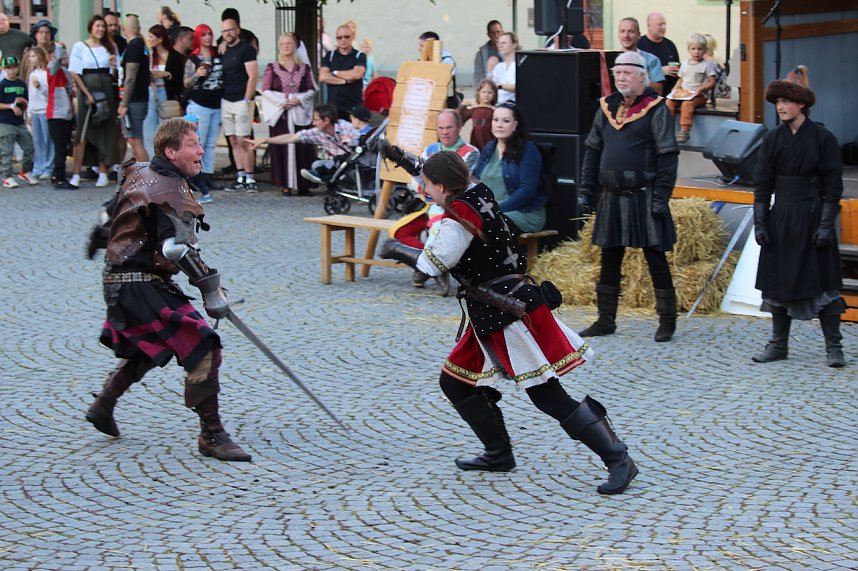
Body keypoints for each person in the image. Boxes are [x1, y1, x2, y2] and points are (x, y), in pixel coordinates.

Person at [380, 150, 638, 495]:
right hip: (496, 309)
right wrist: (412, 163)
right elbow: (445, 180)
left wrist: (394, 248)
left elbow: (429, 266)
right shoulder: (477, 191)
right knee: (455, 383)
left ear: (442, 185)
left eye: (427, 184)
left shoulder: (457, 224)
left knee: (547, 395)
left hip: (506, 313)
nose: (423, 189)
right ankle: (498, 453)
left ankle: (618, 458)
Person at [85, 117, 250, 462]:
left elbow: (109, 212)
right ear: (171, 151)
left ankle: (104, 405)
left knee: (143, 347)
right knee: (203, 346)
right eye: (193, 144)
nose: (201, 150)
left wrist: (98, 238)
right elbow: (177, 249)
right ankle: (212, 434)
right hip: (140, 284)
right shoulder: (172, 189)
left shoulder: (140, 171)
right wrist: (212, 293)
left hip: (118, 280)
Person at [576, 51, 680, 342]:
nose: (620, 77)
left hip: (644, 197)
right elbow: (593, 151)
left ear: (642, 76)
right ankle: (605, 320)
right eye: (617, 72)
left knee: (656, 259)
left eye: (627, 72)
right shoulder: (606, 107)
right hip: (612, 197)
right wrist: (586, 191)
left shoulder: (656, 109)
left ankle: (667, 321)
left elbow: (668, 157)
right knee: (609, 260)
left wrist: (661, 198)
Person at [752, 67, 846, 368]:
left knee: (822, 283)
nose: (780, 107)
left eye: (786, 101)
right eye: (777, 102)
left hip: (812, 216)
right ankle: (778, 344)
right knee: (778, 282)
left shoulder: (823, 138)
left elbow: (833, 187)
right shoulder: (772, 140)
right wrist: (761, 221)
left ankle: (834, 347)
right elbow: (762, 183)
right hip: (781, 217)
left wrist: (825, 224)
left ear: (801, 104)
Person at [390, 108, 480, 295]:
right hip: (427, 206)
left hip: (454, 208)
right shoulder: (431, 150)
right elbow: (415, 183)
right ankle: (430, 266)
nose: (445, 132)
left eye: (449, 127)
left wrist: (428, 185)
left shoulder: (470, 153)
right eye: (441, 128)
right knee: (399, 232)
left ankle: (432, 268)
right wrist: (428, 186)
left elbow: (459, 187)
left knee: (438, 229)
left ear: (459, 127)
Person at [473, 102, 546, 233]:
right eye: (495, 120)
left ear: (515, 125)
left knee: (488, 224)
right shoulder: (489, 148)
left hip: (522, 213)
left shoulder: (528, 149)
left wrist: (495, 209)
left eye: (505, 121)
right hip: (490, 212)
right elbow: (476, 181)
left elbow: (527, 190)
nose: (499, 125)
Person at [261, 32, 316, 196]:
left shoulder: (304, 68)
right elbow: (265, 89)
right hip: (282, 114)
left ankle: (303, 183)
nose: (286, 46)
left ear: (295, 46)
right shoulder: (273, 67)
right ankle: (285, 183)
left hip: (298, 112)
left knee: (302, 146)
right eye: (283, 44)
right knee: (283, 146)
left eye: (289, 43)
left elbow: (311, 89)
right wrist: (281, 101)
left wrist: (299, 99)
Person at [68, 14, 119, 188]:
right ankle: (75, 173)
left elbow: (114, 74)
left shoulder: (110, 46)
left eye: (103, 26)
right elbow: (75, 72)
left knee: (105, 130)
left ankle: (103, 172)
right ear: (91, 27)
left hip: (105, 89)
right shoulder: (80, 46)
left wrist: (112, 65)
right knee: (82, 132)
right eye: (98, 26)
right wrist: (86, 94)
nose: (101, 29)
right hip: (87, 89)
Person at [253, 103, 358, 186]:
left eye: (316, 120)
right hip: (338, 164)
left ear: (326, 120)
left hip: (354, 163)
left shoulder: (345, 126)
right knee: (316, 165)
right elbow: (292, 137)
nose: (313, 123)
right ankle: (325, 177)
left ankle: (323, 174)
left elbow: (360, 142)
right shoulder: (318, 132)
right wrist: (265, 140)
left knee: (329, 165)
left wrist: (350, 141)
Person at [220, 16, 259, 193]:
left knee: (244, 141)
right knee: (233, 140)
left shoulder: (246, 49)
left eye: (230, 30)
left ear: (237, 30)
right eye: (224, 31)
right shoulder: (223, 50)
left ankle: (250, 178)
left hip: (242, 100)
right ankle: (240, 175)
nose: (228, 33)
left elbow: (253, 76)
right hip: (226, 100)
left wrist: (247, 99)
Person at [185, 24, 223, 196]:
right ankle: (195, 175)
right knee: (199, 142)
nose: (208, 37)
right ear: (198, 37)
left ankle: (208, 174)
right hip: (200, 103)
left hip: (217, 103)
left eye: (210, 34)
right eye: (204, 34)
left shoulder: (217, 54)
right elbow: (185, 82)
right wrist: (196, 75)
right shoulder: (193, 58)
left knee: (211, 143)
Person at [665, 33, 718, 143]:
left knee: (687, 104)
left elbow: (712, 82)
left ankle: (685, 129)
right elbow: (681, 79)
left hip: (699, 95)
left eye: (700, 49)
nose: (696, 52)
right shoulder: (685, 64)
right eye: (693, 49)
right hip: (684, 93)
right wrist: (675, 89)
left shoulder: (707, 65)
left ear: (704, 50)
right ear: (688, 50)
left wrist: (702, 89)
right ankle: (667, 127)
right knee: (669, 102)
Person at [142, 25, 184, 159]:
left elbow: (179, 78)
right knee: (148, 130)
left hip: (166, 93)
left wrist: (167, 75)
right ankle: (152, 160)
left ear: (160, 39)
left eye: (151, 37)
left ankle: (166, 159)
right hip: (151, 91)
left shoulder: (173, 56)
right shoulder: (148, 55)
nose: (149, 40)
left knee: (166, 129)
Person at [0, 55, 36, 188]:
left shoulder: (21, 84)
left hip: (19, 121)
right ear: (4, 69)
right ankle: (7, 176)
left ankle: (26, 171)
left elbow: (26, 101)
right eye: (9, 68)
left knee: (29, 147)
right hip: (5, 122)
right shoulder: (2, 84)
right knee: (7, 151)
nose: (12, 70)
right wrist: (10, 106)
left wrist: (24, 104)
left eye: (14, 67)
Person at [118, 14, 150, 163]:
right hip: (140, 98)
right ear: (139, 28)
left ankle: (149, 180)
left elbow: (130, 77)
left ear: (124, 29)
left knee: (135, 140)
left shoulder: (133, 47)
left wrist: (124, 103)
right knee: (135, 140)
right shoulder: (141, 46)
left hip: (134, 100)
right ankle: (145, 177)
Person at [319, 24, 366, 121]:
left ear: (352, 37)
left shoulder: (359, 55)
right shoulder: (330, 56)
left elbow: (357, 74)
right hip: (333, 108)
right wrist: (345, 81)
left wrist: (335, 73)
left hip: (353, 107)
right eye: (339, 37)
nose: (343, 40)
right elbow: (323, 77)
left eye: (346, 37)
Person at [46, 42, 76, 189]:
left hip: (67, 113)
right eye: (60, 53)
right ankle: (59, 177)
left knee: (64, 146)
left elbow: (70, 92)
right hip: (56, 113)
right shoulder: (52, 69)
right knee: (60, 148)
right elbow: (55, 62)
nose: (64, 56)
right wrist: (58, 48)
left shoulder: (66, 72)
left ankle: (56, 174)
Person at [617, 17, 665, 94]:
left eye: (631, 31)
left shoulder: (652, 60)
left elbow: (658, 90)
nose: (626, 35)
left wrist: (638, 79)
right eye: (622, 31)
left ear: (638, 35)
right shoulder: (610, 58)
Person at [637, 12, 681, 94]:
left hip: (670, 97)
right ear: (649, 26)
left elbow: (679, 70)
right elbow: (635, 73)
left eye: (664, 24)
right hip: (647, 97)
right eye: (660, 24)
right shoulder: (639, 45)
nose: (664, 27)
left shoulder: (670, 45)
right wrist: (659, 72)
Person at [25, 46, 51, 181]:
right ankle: (38, 166)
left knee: (47, 140)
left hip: (44, 110)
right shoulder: (32, 74)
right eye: (30, 56)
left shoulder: (46, 73)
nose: (30, 59)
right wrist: (29, 112)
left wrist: (39, 86)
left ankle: (48, 167)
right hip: (34, 111)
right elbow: (31, 95)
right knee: (37, 141)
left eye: (33, 56)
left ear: (40, 57)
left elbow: (47, 93)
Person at [458, 79, 497, 151]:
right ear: (479, 93)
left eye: (490, 92)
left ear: (494, 94)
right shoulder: (474, 109)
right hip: (475, 142)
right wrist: (462, 106)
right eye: (483, 92)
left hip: (489, 141)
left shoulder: (495, 111)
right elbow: (458, 118)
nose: (486, 95)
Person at [473, 20, 502, 88]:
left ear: (502, 32)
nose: (496, 35)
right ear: (488, 34)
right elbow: (478, 75)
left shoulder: (508, 50)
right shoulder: (481, 53)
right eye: (492, 33)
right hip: (488, 89)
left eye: (498, 32)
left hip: (505, 89)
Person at [491, 32, 518, 104]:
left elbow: (520, 87)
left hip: (514, 104)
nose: (500, 46)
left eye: (504, 43)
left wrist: (500, 86)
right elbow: (492, 86)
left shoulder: (519, 65)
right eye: (499, 43)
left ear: (514, 45)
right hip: (499, 103)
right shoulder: (498, 67)